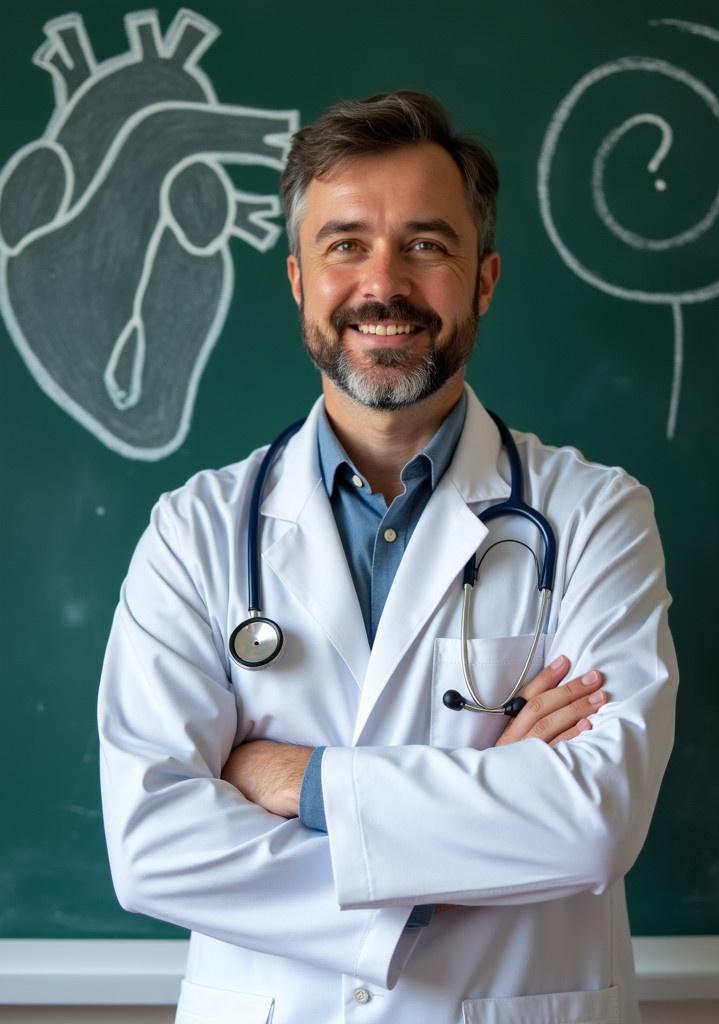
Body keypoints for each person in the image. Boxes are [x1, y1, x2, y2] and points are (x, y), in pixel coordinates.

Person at [98, 91, 677, 1024]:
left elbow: (592, 822)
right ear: (297, 278)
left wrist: (297, 779)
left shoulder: (596, 514)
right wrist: (491, 800)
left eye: (426, 244)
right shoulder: (193, 530)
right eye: (345, 245)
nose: (384, 283)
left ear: (483, 280)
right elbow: (152, 841)